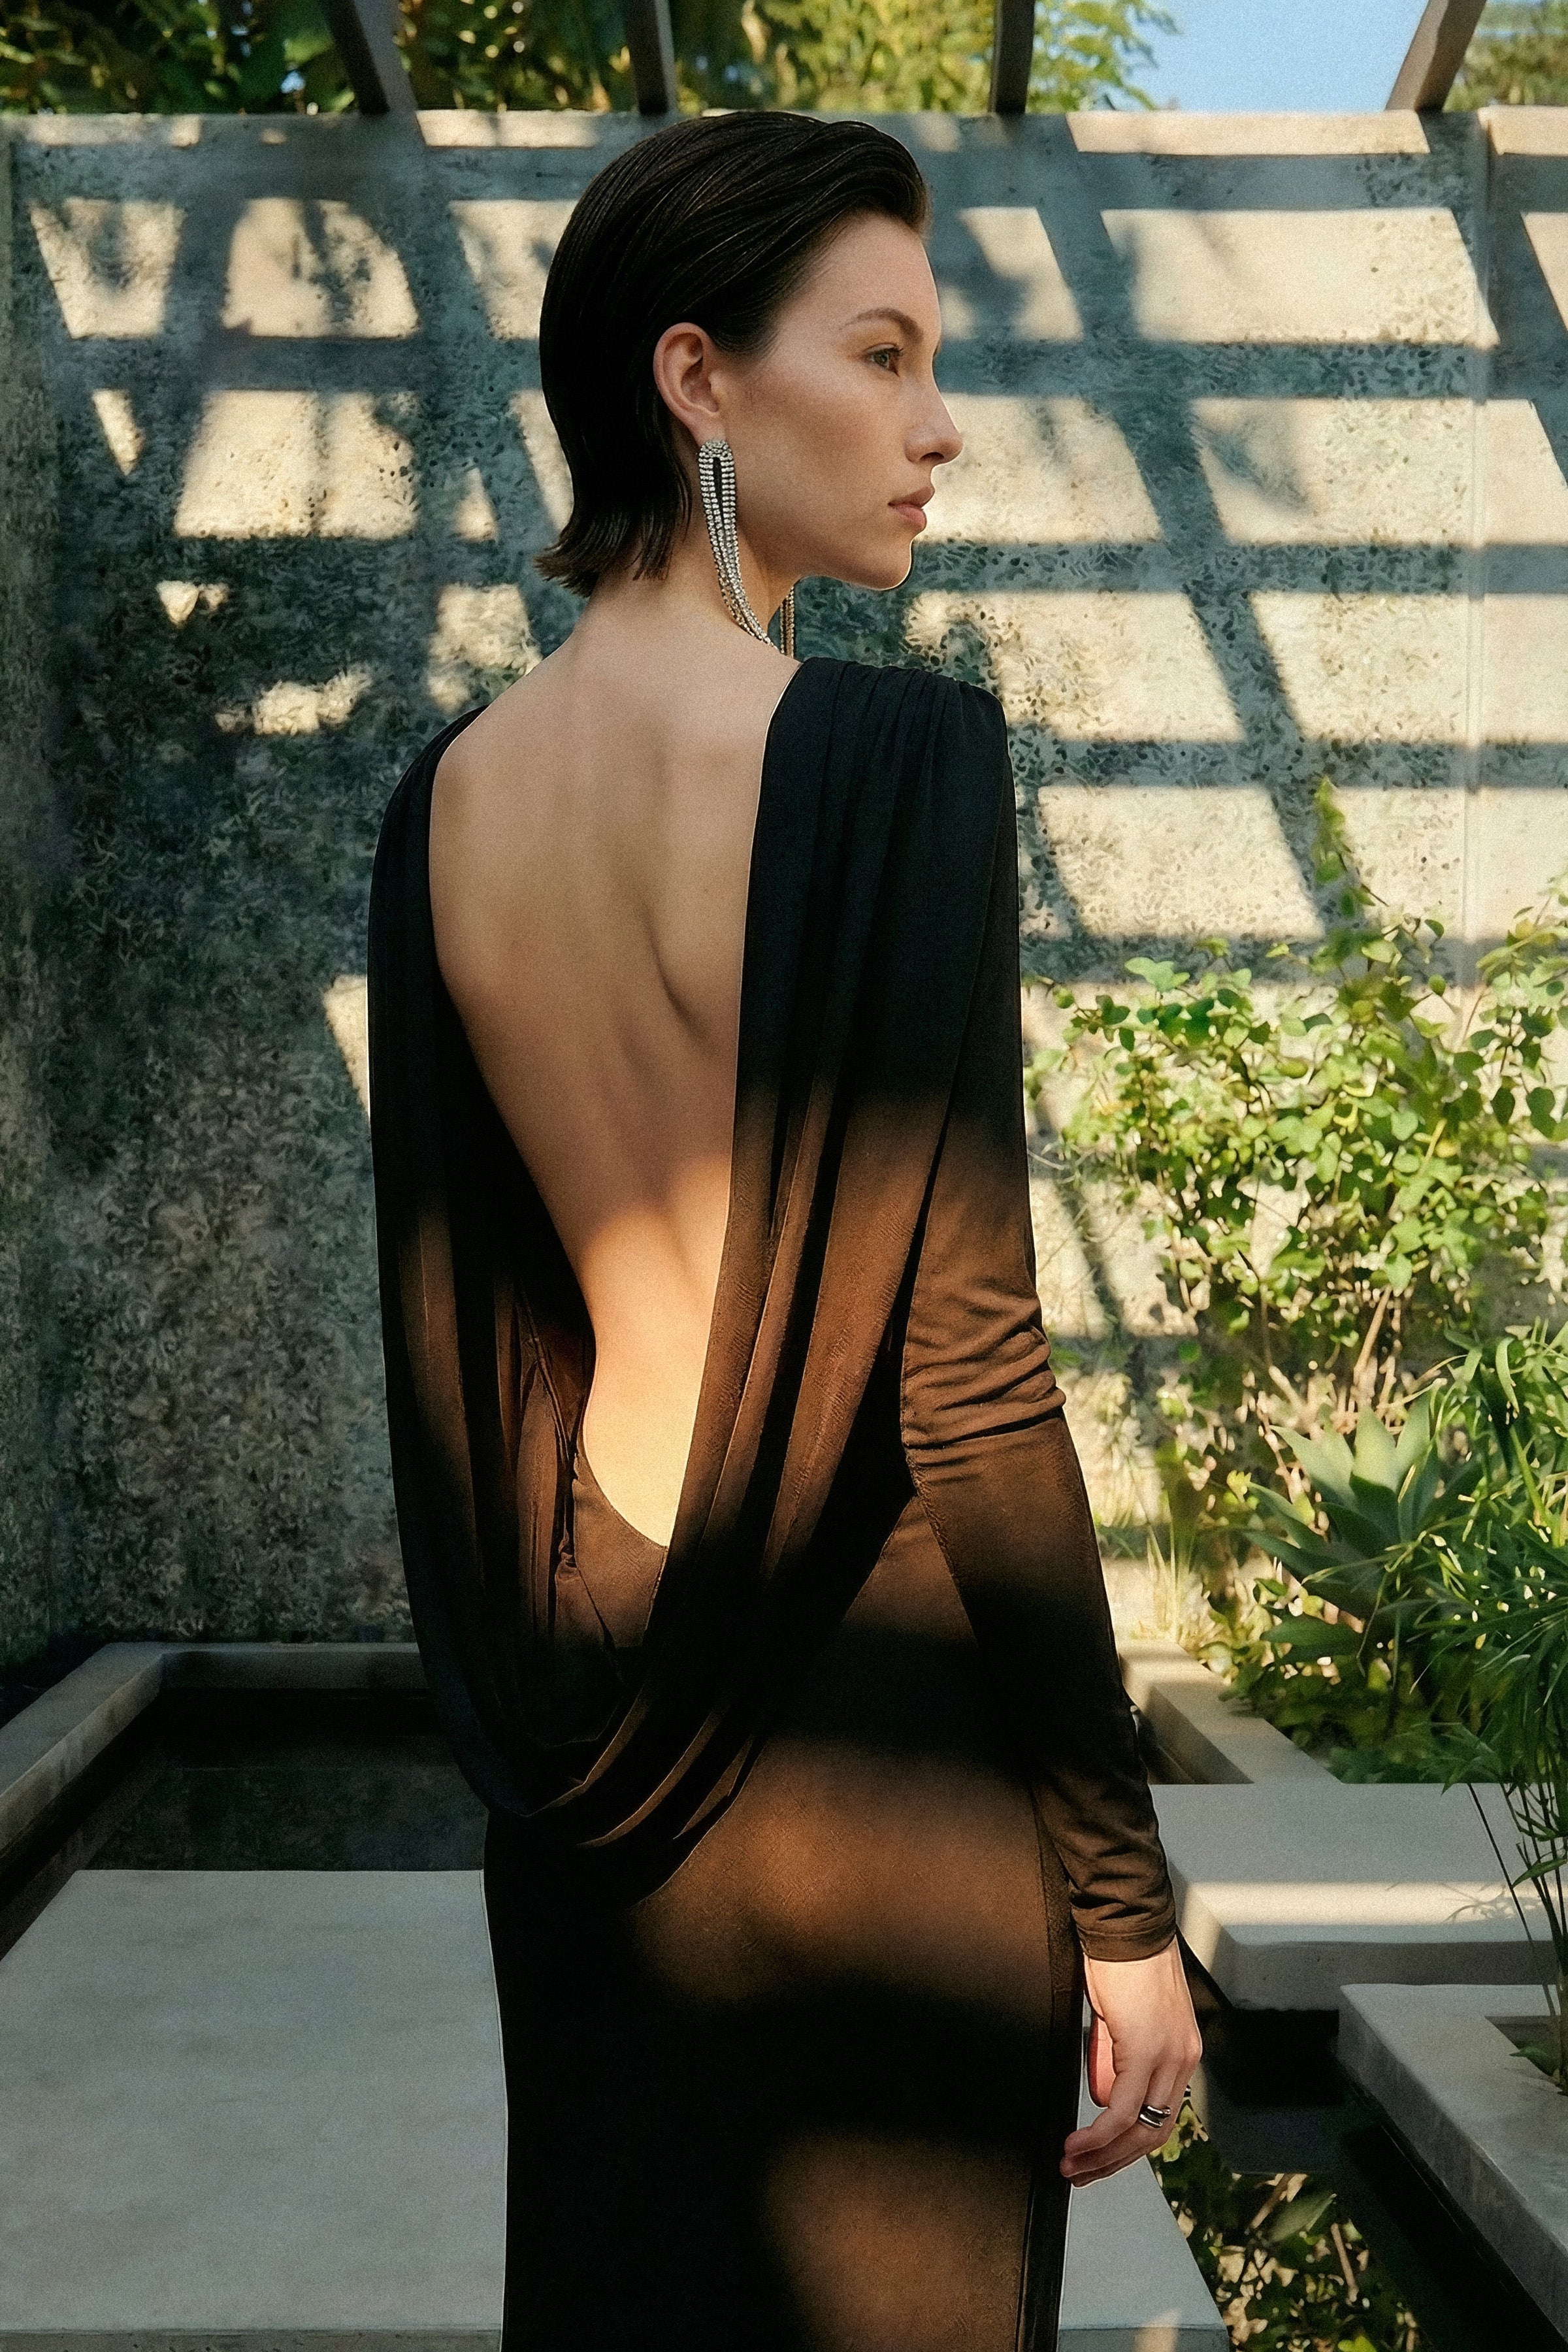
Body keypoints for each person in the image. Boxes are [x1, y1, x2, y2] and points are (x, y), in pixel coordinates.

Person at [367, 108, 1199, 2352]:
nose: (940, 430)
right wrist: (1124, 1903)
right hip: (880, 1760)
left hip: (584, 1737)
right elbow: (969, 1374)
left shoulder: (444, 802)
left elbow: (462, 1331)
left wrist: (527, 1707)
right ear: (697, 379)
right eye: (886, 354)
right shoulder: (893, 763)